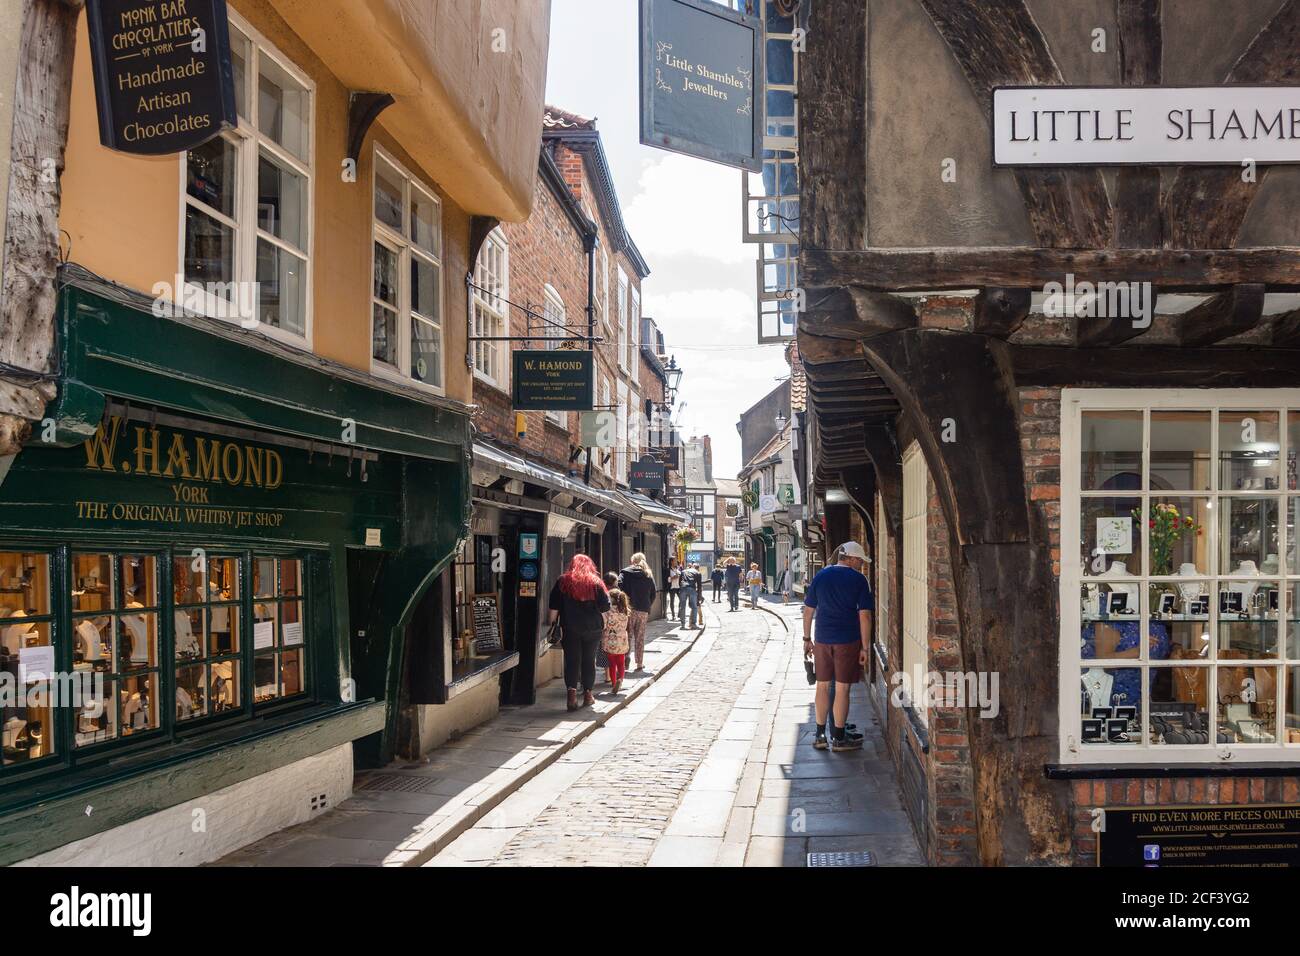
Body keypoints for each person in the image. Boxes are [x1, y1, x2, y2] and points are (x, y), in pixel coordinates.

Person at [803, 542, 873, 751]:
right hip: (847, 641)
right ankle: (840, 739)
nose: (861, 564)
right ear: (850, 558)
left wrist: (806, 640)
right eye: (859, 560)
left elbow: (808, 611)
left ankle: (819, 735)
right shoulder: (859, 580)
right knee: (842, 689)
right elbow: (865, 616)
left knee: (822, 686)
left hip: (822, 639)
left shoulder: (821, 576)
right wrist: (865, 648)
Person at [547, 555, 610, 711]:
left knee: (572, 660)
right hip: (593, 628)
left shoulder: (563, 581)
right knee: (589, 660)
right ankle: (588, 694)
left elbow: (553, 607)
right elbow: (605, 607)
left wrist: (552, 623)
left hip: (570, 627)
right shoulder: (596, 583)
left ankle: (572, 695)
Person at [616, 553, 655, 672]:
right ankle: (639, 663)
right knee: (640, 637)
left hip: (629, 610)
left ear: (633, 561)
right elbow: (653, 593)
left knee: (627, 636)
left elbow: (618, 588)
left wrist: (623, 604)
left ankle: (625, 660)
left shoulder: (624, 573)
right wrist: (647, 605)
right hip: (643, 610)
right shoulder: (648, 574)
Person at [603, 587, 631, 694]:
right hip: (622, 641)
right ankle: (621, 679)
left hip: (611, 640)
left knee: (612, 664)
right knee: (621, 663)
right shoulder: (625, 611)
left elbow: (604, 624)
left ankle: (614, 683)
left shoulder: (608, 611)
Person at [679, 561, 702, 629]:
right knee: (694, 607)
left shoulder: (683, 571)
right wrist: (699, 596)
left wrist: (681, 588)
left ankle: (682, 624)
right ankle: (693, 624)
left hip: (683, 588)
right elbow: (699, 586)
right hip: (692, 588)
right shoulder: (697, 573)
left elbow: (679, 581)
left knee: (682, 606)